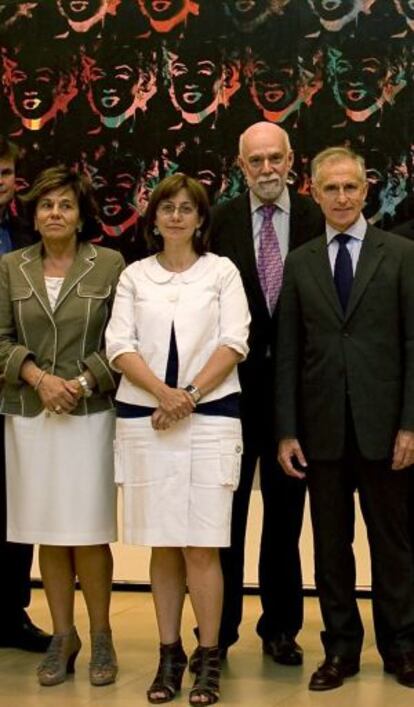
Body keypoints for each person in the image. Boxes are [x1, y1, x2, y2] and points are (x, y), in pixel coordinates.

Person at [105, 173, 250, 705]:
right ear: (154, 217)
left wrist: (185, 395)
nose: (176, 216)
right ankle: (168, 656)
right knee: (164, 544)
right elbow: (119, 344)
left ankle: (207, 657)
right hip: (146, 420)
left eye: (186, 208)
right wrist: (163, 395)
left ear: (200, 218)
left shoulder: (223, 272)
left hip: (210, 419)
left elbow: (235, 342)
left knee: (202, 545)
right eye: (167, 207)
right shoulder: (135, 276)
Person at [276, 145, 414, 691]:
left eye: (349, 187)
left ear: (365, 189)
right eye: (329, 188)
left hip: (387, 432)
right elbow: (288, 349)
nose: (340, 197)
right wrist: (286, 429)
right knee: (331, 548)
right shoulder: (301, 260)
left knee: (394, 546)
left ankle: (403, 648)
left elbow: (412, 343)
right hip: (322, 431)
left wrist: (411, 423)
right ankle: (340, 651)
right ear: (313, 191)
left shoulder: (400, 254)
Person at [0, 166, 124, 686]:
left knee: (90, 533)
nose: (55, 213)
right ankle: (61, 635)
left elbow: (122, 341)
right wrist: (37, 378)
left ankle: (100, 637)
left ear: (80, 215)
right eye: (46, 204)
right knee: (48, 533)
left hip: (88, 416)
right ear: (33, 213)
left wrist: (81, 384)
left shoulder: (110, 265)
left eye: (65, 205)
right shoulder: (11, 267)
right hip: (31, 417)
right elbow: (1, 339)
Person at [208, 121, 324, 664]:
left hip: (296, 400)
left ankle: (280, 629)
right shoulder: (219, 221)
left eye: (275, 158)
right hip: (230, 395)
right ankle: (220, 631)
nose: (267, 169)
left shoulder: (316, 216)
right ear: (241, 166)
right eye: (256, 161)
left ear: (291, 159)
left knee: (285, 518)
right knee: (224, 519)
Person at [0, 136, 51, 652]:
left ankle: (9, 614)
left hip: (17, 389)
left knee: (16, 510)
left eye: (5, 172)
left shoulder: (24, 236)